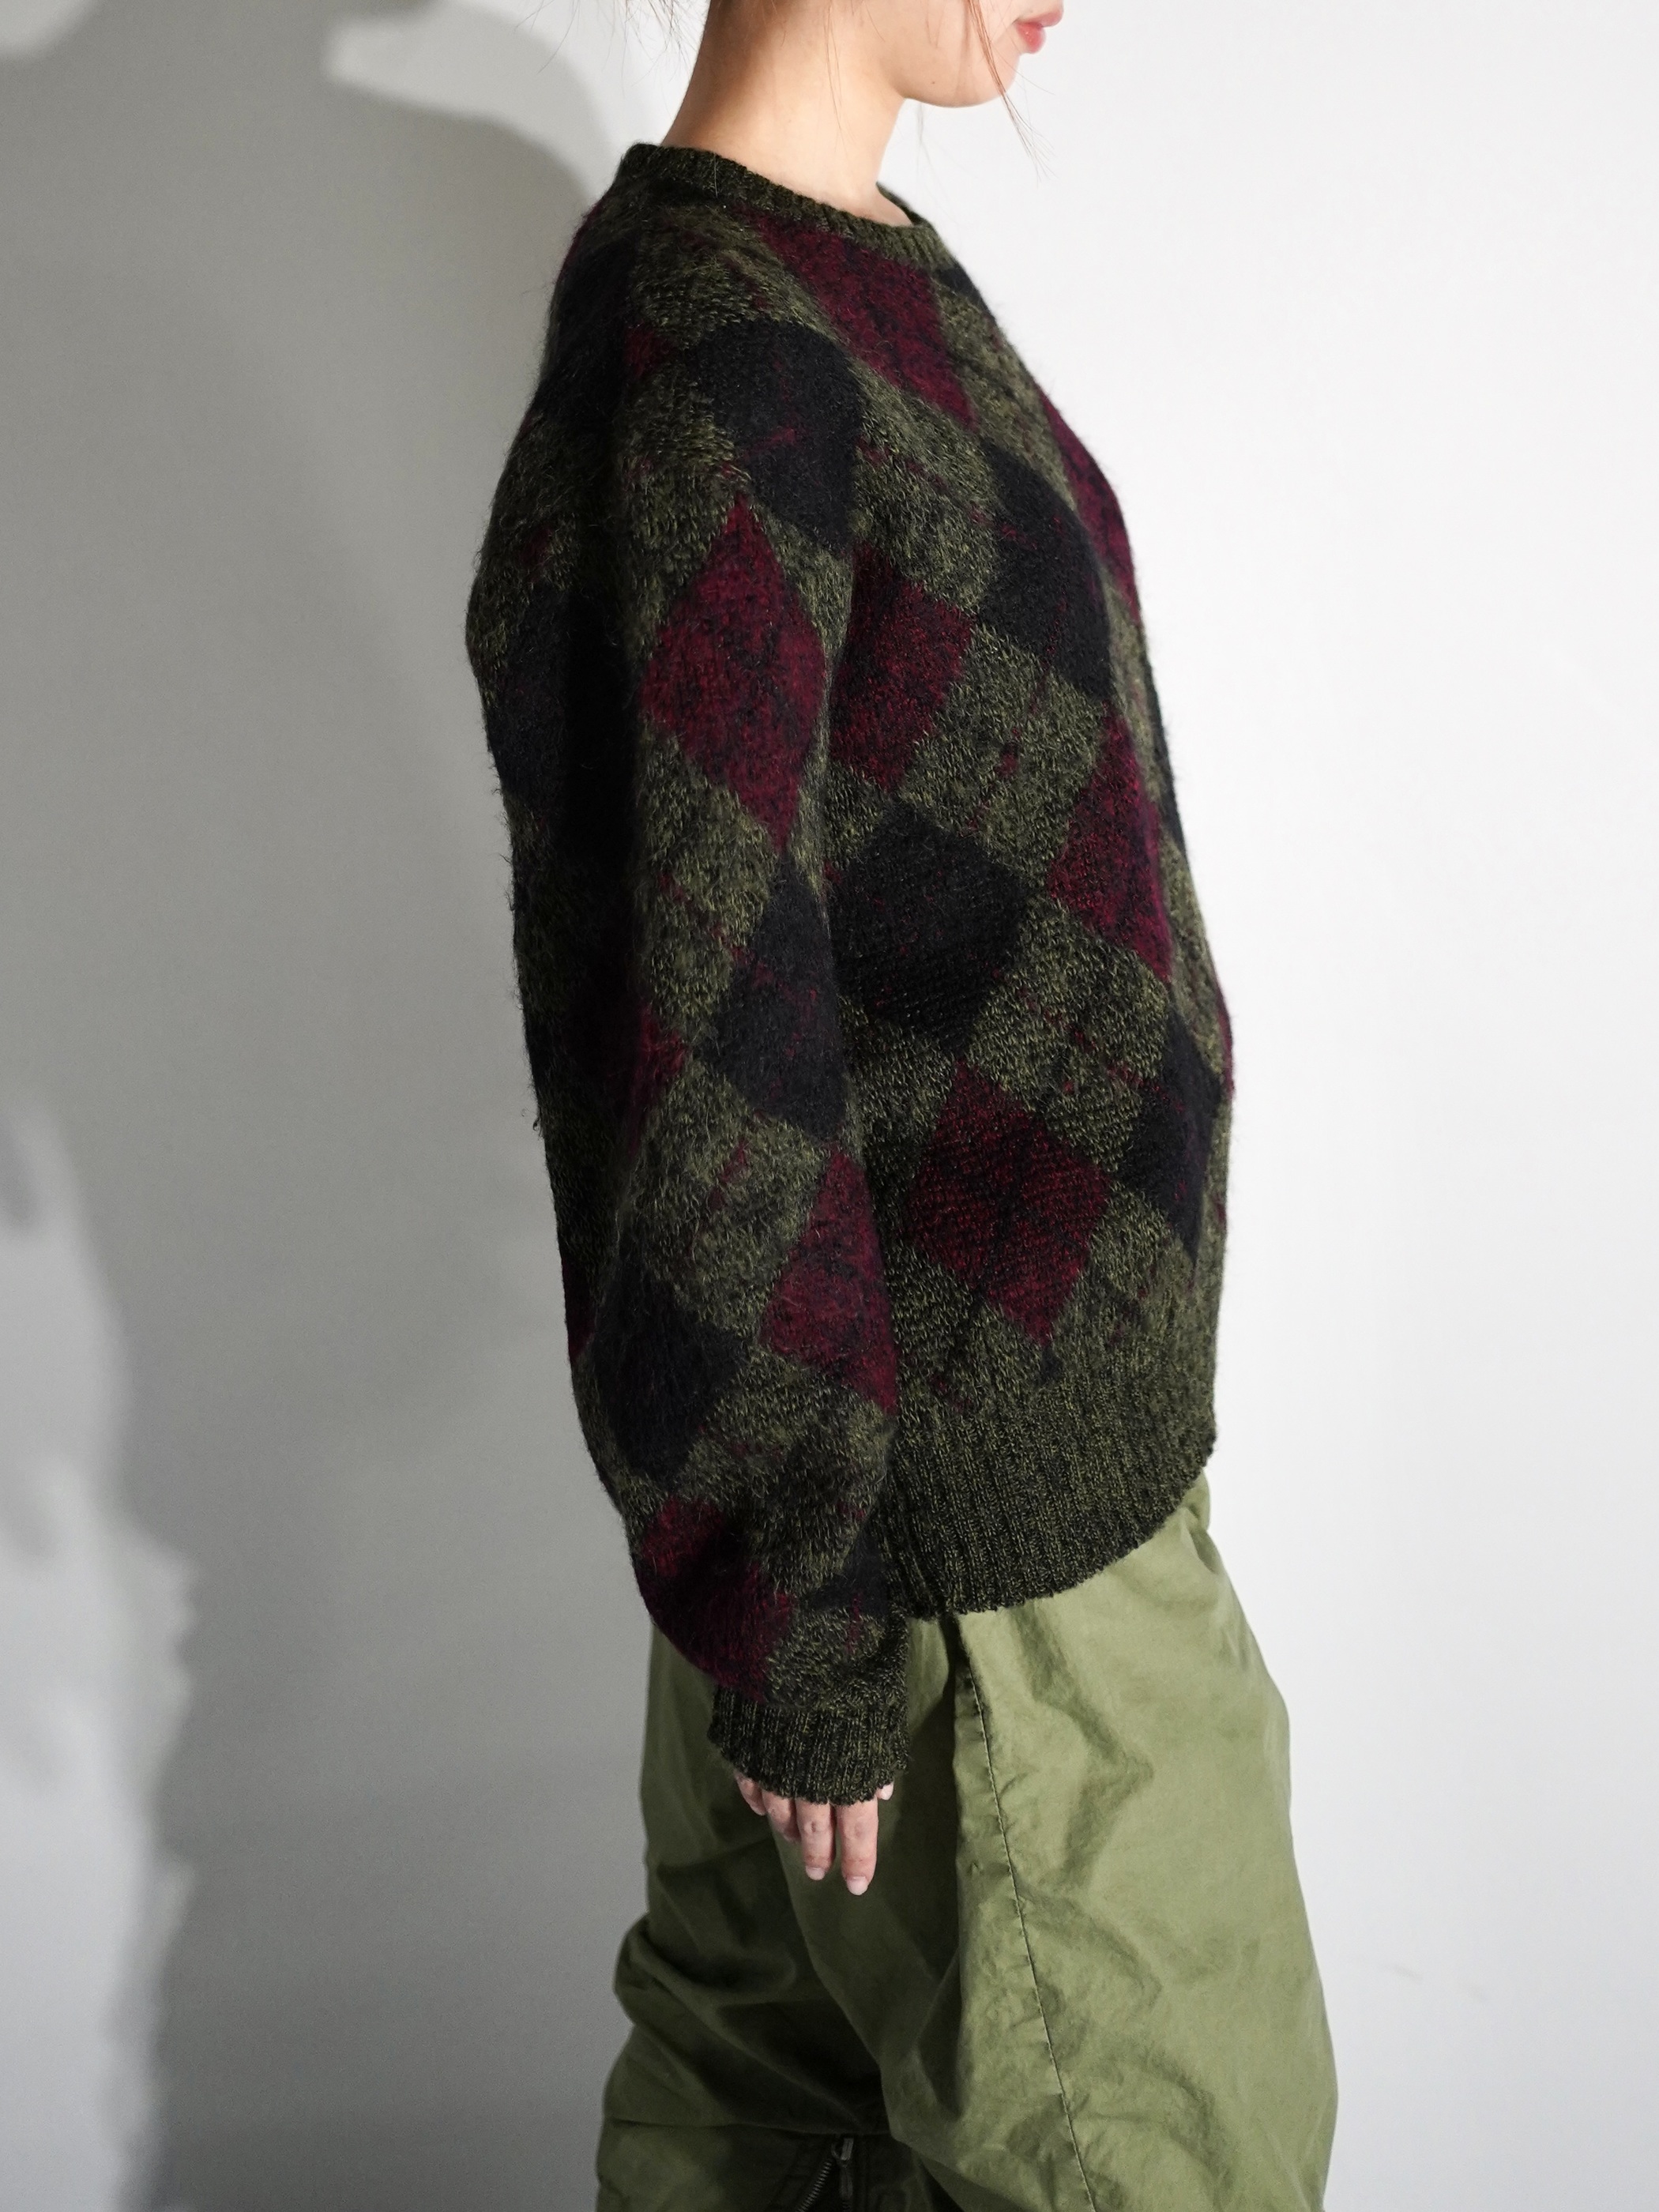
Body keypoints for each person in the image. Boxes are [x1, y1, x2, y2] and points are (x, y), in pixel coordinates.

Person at [465, 0, 1337, 2201]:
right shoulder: (726, 358)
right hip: (958, 1574)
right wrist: (809, 1610)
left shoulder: (852, 272)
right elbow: (699, 1022)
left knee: (758, 2131)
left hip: (915, 1519)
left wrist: (789, 1591)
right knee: (1172, 2150)